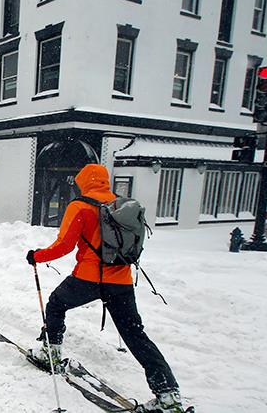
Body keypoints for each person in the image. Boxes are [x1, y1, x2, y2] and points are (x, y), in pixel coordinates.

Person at [26, 164, 185, 413]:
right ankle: (168, 396)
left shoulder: (80, 206)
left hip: (88, 279)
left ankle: (51, 354)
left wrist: (37, 256)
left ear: (83, 182)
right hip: (120, 281)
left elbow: (64, 245)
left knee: (56, 304)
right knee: (136, 335)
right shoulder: (120, 205)